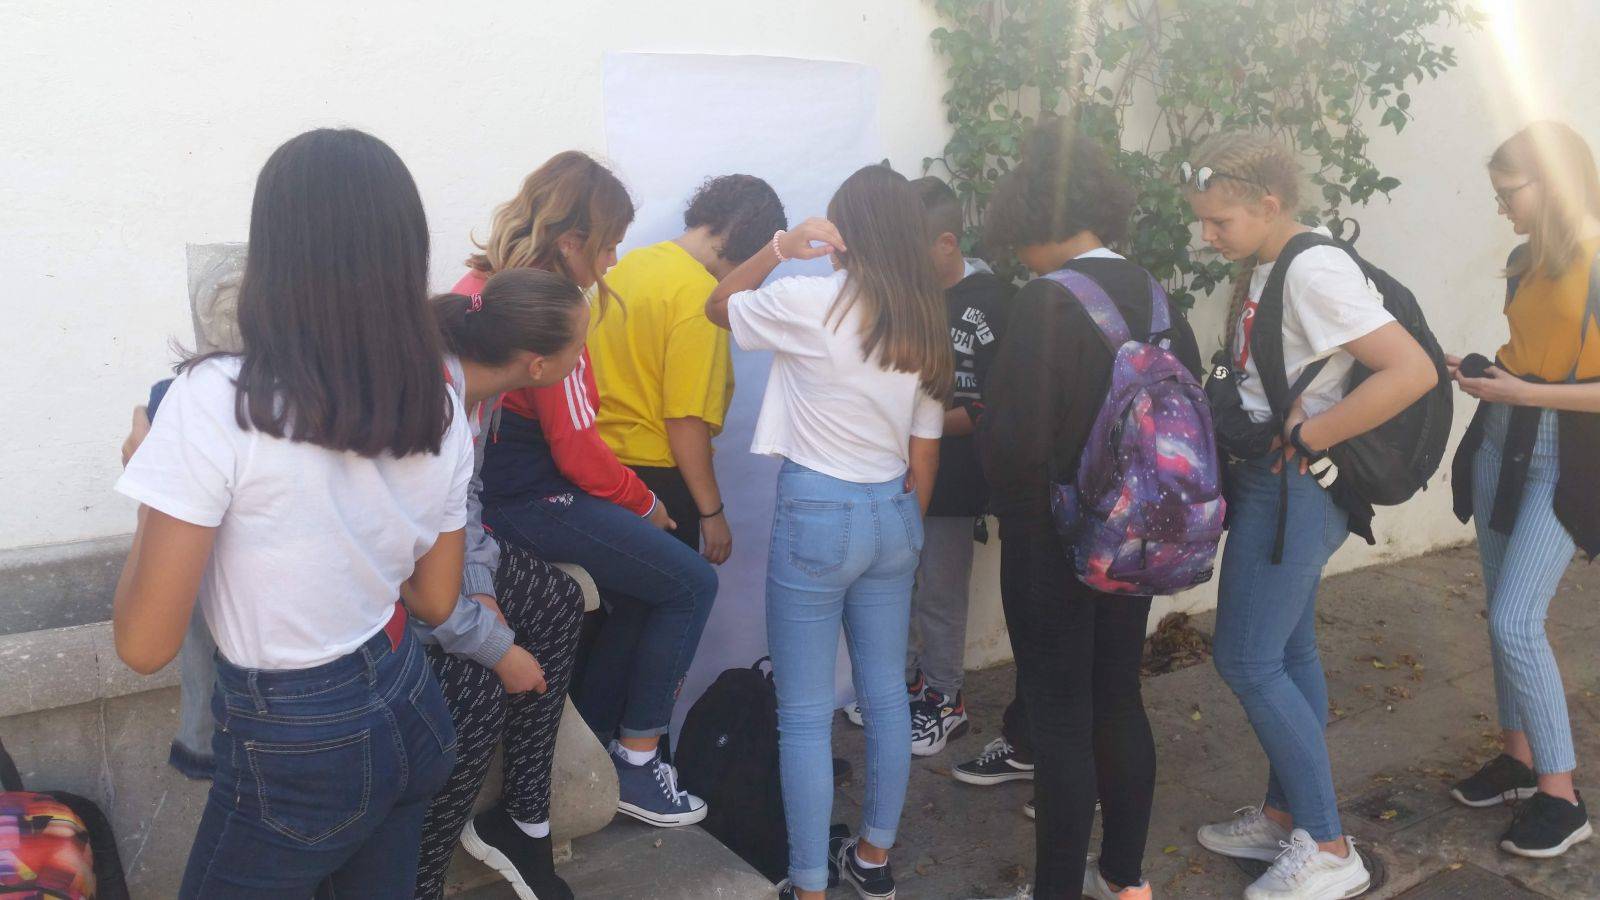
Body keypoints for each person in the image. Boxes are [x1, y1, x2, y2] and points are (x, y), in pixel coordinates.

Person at [113, 128, 471, 897]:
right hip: (409, 701)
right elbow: (438, 598)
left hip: (299, 744)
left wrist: (150, 482)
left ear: (273, 251)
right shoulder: (439, 391)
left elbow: (143, 644)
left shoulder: (217, 400)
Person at [1184, 131, 1436, 900]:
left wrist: (1314, 434)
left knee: (1246, 661)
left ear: (1269, 204)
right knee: (1288, 655)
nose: (1207, 234)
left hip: (1294, 491)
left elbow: (1412, 370)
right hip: (1276, 487)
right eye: (1202, 219)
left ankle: (1329, 847)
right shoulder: (1275, 262)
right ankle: (1284, 816)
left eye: (1220, 221)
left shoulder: (1313, 269)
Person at [706, 165, 950, 900]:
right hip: (894, 511)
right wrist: (902, 532)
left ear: (846, 231)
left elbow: (717, 304)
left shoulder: (811, 299)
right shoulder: (925, 319)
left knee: (806, 715)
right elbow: (925, 452)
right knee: (886, 698)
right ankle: (872, 860)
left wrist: (781, 245)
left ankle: (810, 884)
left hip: (818, 510)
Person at [979, 120, 1197, 900]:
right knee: (1118, 698)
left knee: (1060, 716)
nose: (1020, 257)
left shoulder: (1045, 302)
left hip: (1053, 543)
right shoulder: (1157, 296)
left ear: (1037, 222)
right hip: (1141, 535)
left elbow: (1013, 445)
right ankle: (1125, 880)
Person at [469, 151, 718, 831]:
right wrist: (647, 504)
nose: (612, 263)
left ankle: (606, 750)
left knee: (643, 592)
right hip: (525, 497)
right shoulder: (552, 311)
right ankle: (638, 760)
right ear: (571, 243)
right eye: (608, 247)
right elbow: (578, 448)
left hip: (485, 495)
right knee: (693, 582)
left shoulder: (480, 283)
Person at [1445, 121, 1600, 859]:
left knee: (1516, 619)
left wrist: (1525, 391)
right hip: (1500, 436)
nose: (1502, 207)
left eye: (1510, 193)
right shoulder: (1524, 258)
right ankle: (1517, 758)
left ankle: (1561, 799)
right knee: (1497, 605)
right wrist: (1483, 372)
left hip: (1566, 455)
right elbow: (1528, 354)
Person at [413, 269, 593, 900]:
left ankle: (524, 818)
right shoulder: (431, 407)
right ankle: (420, 877)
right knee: (476, 691)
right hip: (387, 596)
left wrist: (481, 584)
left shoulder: (477, 391)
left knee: (559, 598)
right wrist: (497, 648)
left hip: (437, 568)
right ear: (538, 365)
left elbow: (464, 499)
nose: (583, 361)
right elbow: (409, 574)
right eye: (579, 349)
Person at [842, 176, 1014, 758]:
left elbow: (997, 404)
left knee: (940, 589)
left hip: (956, 477)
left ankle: (946, 699)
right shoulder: (903, 295)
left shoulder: (994, 302)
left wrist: (923, 428)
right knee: (901, 582)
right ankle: (910, 684)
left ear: (946, 243)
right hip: (897, 469)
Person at [588, 174, 787, 562]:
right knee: (678, 594)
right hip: (657, 481)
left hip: (600, 469)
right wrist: (712, 513)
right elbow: (685, 419)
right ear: (749, 246)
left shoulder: (629, 266)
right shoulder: (700, 297)